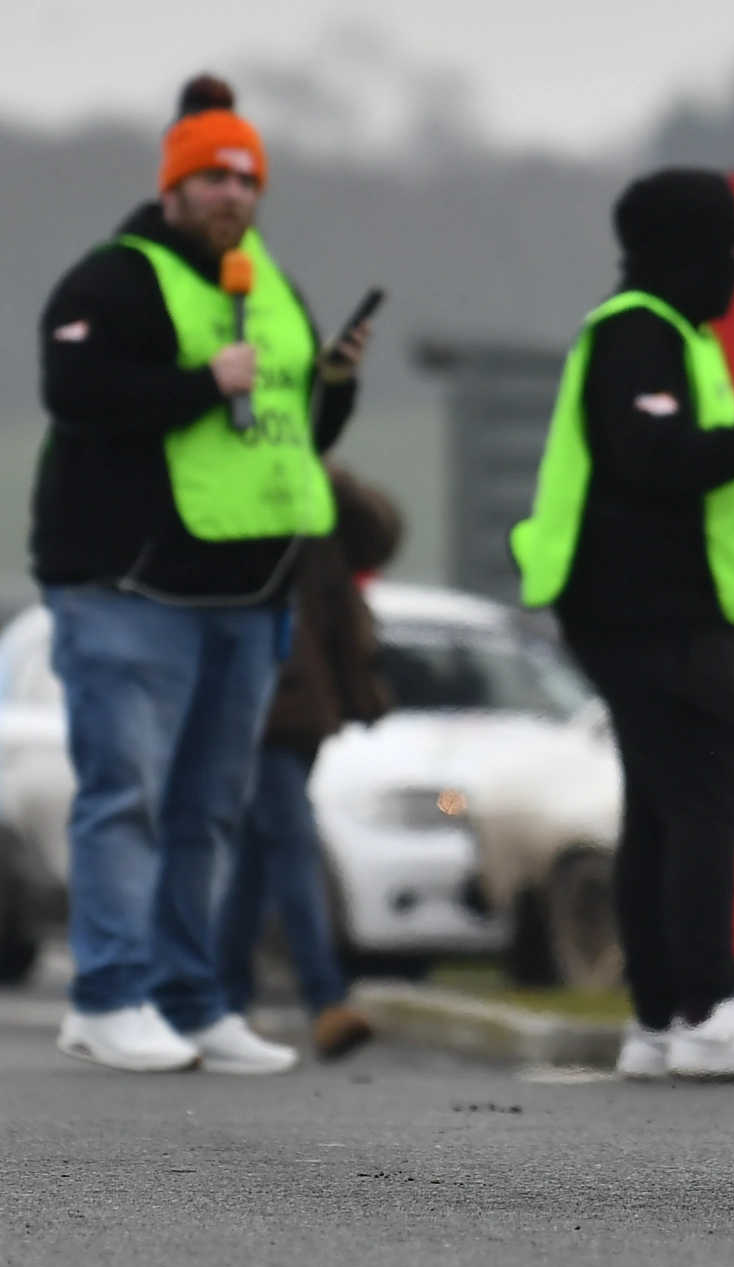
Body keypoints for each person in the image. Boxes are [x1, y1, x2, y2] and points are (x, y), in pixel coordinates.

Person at [509, 168, 734, 1082]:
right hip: (647, 609)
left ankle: (658, 1023)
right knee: (703, 801)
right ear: (688, 252)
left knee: (660, 809)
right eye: (728, 248)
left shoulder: (671, 336)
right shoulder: (638, 333)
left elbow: (727, 477)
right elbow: (658, 460)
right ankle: (706, 1010)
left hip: (640, 607)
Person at [36, 75, 369, 1074]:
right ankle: (107, 995)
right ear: (173, 185)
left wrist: (337, 386)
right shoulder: (114, 278)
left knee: (208, 812)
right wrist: (196, 383)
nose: (232, 194)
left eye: (246, 180)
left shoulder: (273, 289)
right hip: (131, 589)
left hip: (249, 595)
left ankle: (192, 1001)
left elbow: (291, 434)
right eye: (214, 178)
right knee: (124, 798)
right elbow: (73, 388)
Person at [215, 464, 401, 1061]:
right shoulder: (238, 500)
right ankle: (324, 999)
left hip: (305, 705)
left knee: (254, 858)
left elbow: (381, 537)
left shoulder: (314, 496)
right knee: (293, 842)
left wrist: (328, 473)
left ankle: (223, 1000)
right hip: (263, 704)